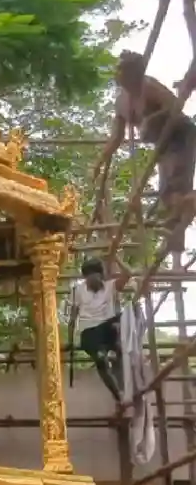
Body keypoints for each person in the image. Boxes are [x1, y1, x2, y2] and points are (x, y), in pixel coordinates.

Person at [94, 51, 196, 234]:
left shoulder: (148, 86)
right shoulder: (121, 102)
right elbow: (116, 138)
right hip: (162, 144)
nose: (119, 75)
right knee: (166, 191)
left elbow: (175, 106)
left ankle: (186, 206)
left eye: (123, 70)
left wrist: (151, 120)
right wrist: (99, 163)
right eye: (118, 71)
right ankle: (178, 216)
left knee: (177, 180)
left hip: (180, 134)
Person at [68, 257, 130, 403]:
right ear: (85, 278)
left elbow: (128, 273)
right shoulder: (78, 290)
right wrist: (70, 340)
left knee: (123, 317)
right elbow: (72, 318)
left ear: (101, 276)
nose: (94, 281)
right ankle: (118, 396)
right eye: (90, 278)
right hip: (89, 332)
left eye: (97, 276)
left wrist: (116, 259)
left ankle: (122, 372)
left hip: (107, 328)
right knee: (101, 362)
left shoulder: (110, 286)